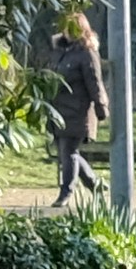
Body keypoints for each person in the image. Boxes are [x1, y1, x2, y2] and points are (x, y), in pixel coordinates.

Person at [36, 11, 105, 208]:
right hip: (58, 111)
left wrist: (101, 106)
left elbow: (94, 81)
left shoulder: (87, 53)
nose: (65, 31)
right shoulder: (60, 51)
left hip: (78, 111)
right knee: (68, 153)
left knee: (69, 152)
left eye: (70, 28)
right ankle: (95, 184)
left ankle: (66, 193)